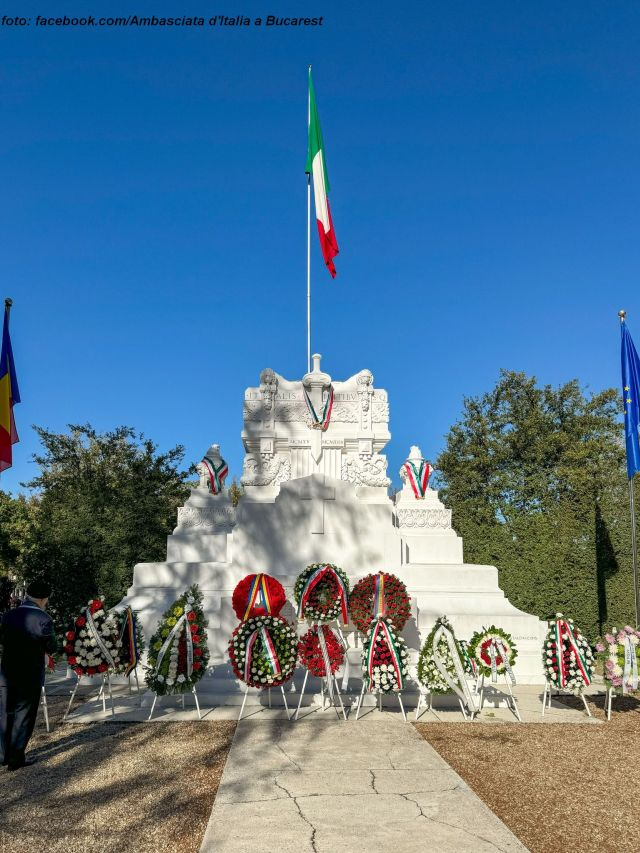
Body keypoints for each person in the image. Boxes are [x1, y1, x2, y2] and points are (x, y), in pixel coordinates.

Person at [0, 579, 56, 771]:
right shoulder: (44, 619)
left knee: (5, 713)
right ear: (43, 599)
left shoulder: (8, 616)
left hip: (6, 672)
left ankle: (3, 754)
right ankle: (16, 758)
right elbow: (52, 646)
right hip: (29, 674)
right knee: (23, 716)